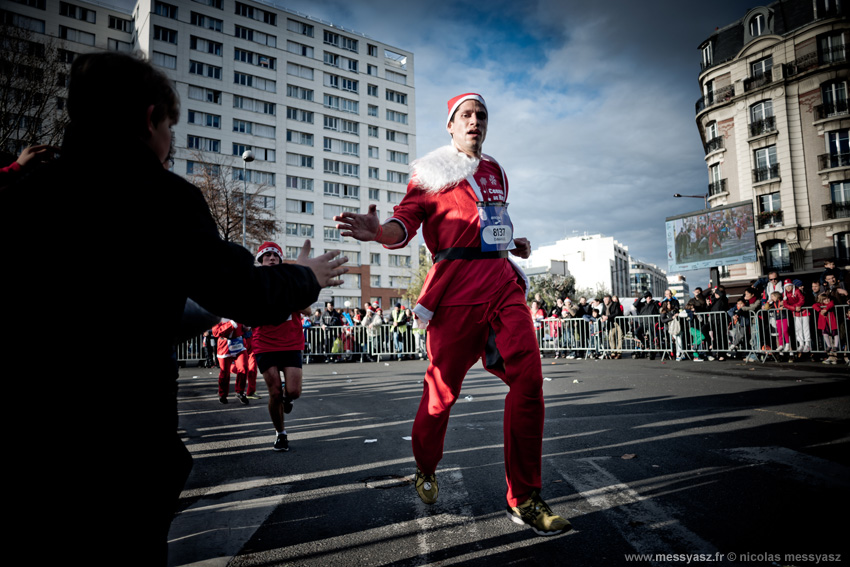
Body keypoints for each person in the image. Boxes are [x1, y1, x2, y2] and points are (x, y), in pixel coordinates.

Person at [0, 52, 349, 563]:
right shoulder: (159, 197)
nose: (170, 144)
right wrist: (306, 277)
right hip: (121, 435)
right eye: (170, 128)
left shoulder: (24, 196)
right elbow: (241, 293)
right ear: (148, 119)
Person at [334, 93, 570, 536]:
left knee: (531, 381)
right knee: (440, 397)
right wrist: (378, 232)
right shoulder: (428, 173)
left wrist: (512, 244)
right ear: (450, 125)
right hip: (454, 296)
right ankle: (425, 464)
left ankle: (524, 497)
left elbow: (492, 221)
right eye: (467, 115)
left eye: (481, 115)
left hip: (501, 285)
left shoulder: (496, 169)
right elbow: (403, 224)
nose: (475, 121)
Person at [252, 241, 311, 451]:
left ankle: (288, 399)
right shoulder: (253, 283)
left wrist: (290, 296)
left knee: (293, 392)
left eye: (275, 256)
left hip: (291, 342)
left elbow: (309, 311)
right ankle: (280, 433)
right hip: (264, 343)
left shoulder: (290, 282)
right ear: (260, 260)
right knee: (274, 392)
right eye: (267, 255)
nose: (271, 258)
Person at [212, 319, 250, 405]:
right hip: (224, 345)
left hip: (239, 343)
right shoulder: (218, 316)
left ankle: (240, 392)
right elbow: (216, 332)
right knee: (224, 372)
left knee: (243, 367)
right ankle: (223, 394)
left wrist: (246, 326)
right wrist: (231, 324)